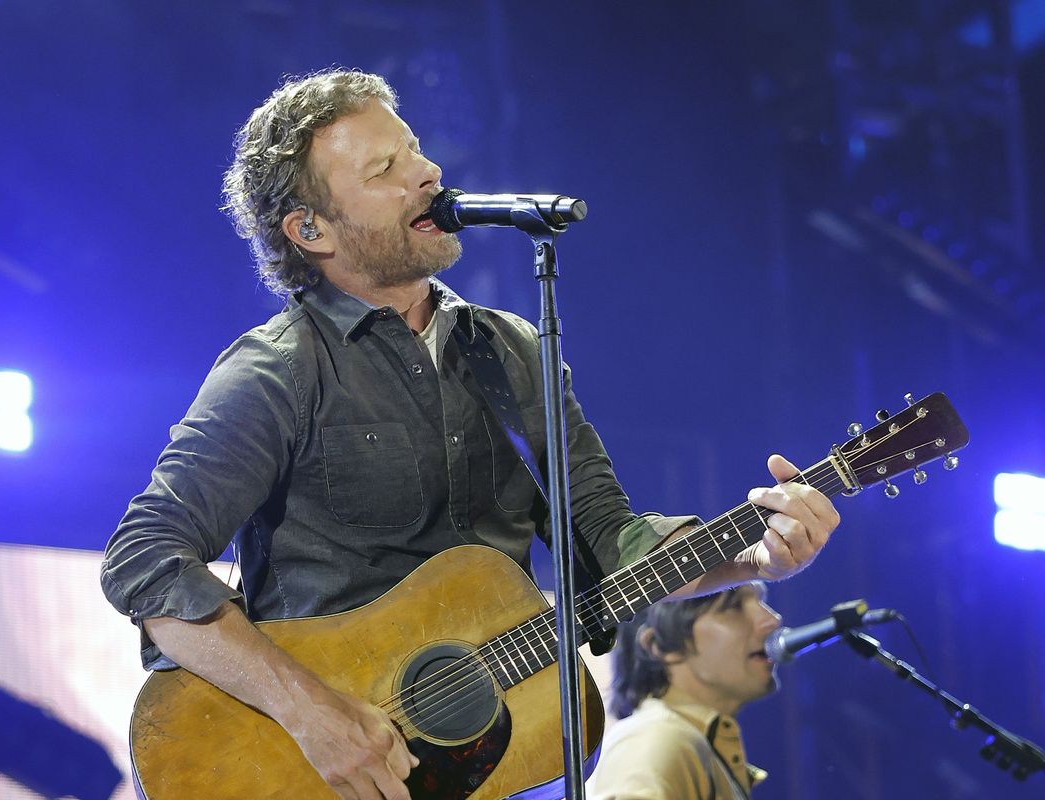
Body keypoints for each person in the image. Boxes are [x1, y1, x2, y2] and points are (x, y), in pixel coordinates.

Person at [99, 69, 840, 800]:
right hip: (318, 771)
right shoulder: (278, 370)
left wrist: (749, 554)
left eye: (415, 149)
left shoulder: (514, 352)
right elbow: (144, 558)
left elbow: (613, 545)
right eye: (385, 167)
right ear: (311, 229)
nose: (427, 173)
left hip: (490, 768)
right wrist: (312, 712)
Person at [586, 584, 782, 800]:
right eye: (734, 607)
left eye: (760, 601)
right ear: (659, 644)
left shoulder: (683, 741)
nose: (772, 620)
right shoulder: (657, 738)